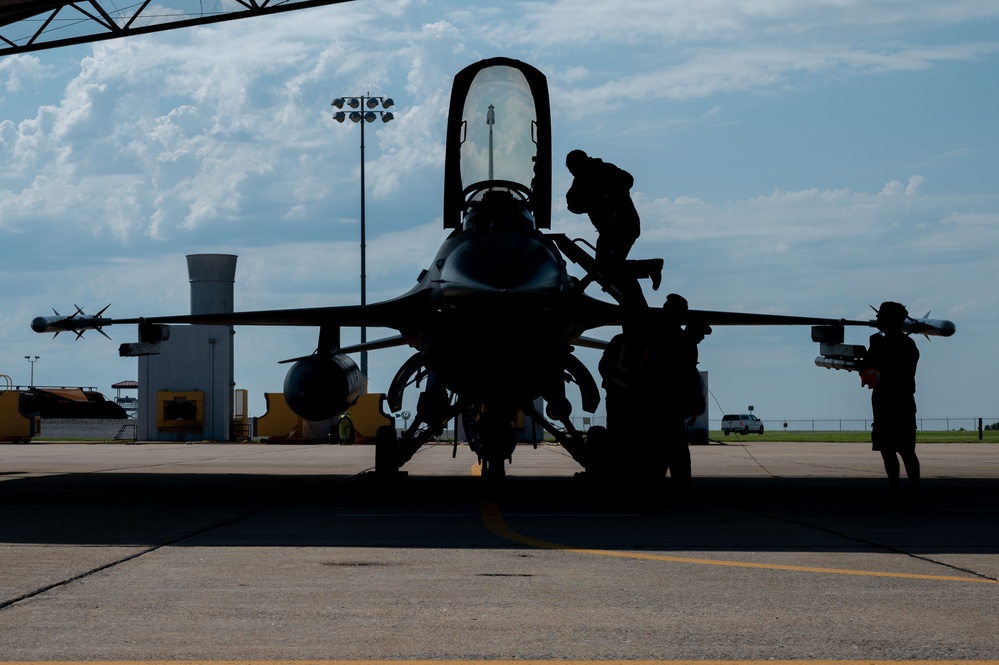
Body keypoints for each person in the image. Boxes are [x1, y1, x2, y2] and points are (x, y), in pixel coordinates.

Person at [565, 150, 663, 301]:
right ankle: (648, 268)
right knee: (606, 269)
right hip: (611, 230)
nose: (572, 173)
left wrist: (604, 197)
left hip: (622, 227)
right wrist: (592, 201)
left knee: (606, 269)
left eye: (572, 169)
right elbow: (572, 204)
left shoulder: (604, 170)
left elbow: (627, 180)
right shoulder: (582, 179)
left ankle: (649, 268)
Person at [860, 301, 921, 504]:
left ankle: (896, 491)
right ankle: (913, 492)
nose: (877, 320)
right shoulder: (908, 344)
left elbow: (870, 370)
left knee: (891, 450)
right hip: (902, 403)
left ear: (890, 319)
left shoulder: (884, 345)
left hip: (888, 402)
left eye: (881, 316)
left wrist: (872, 348)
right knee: (904, 451)